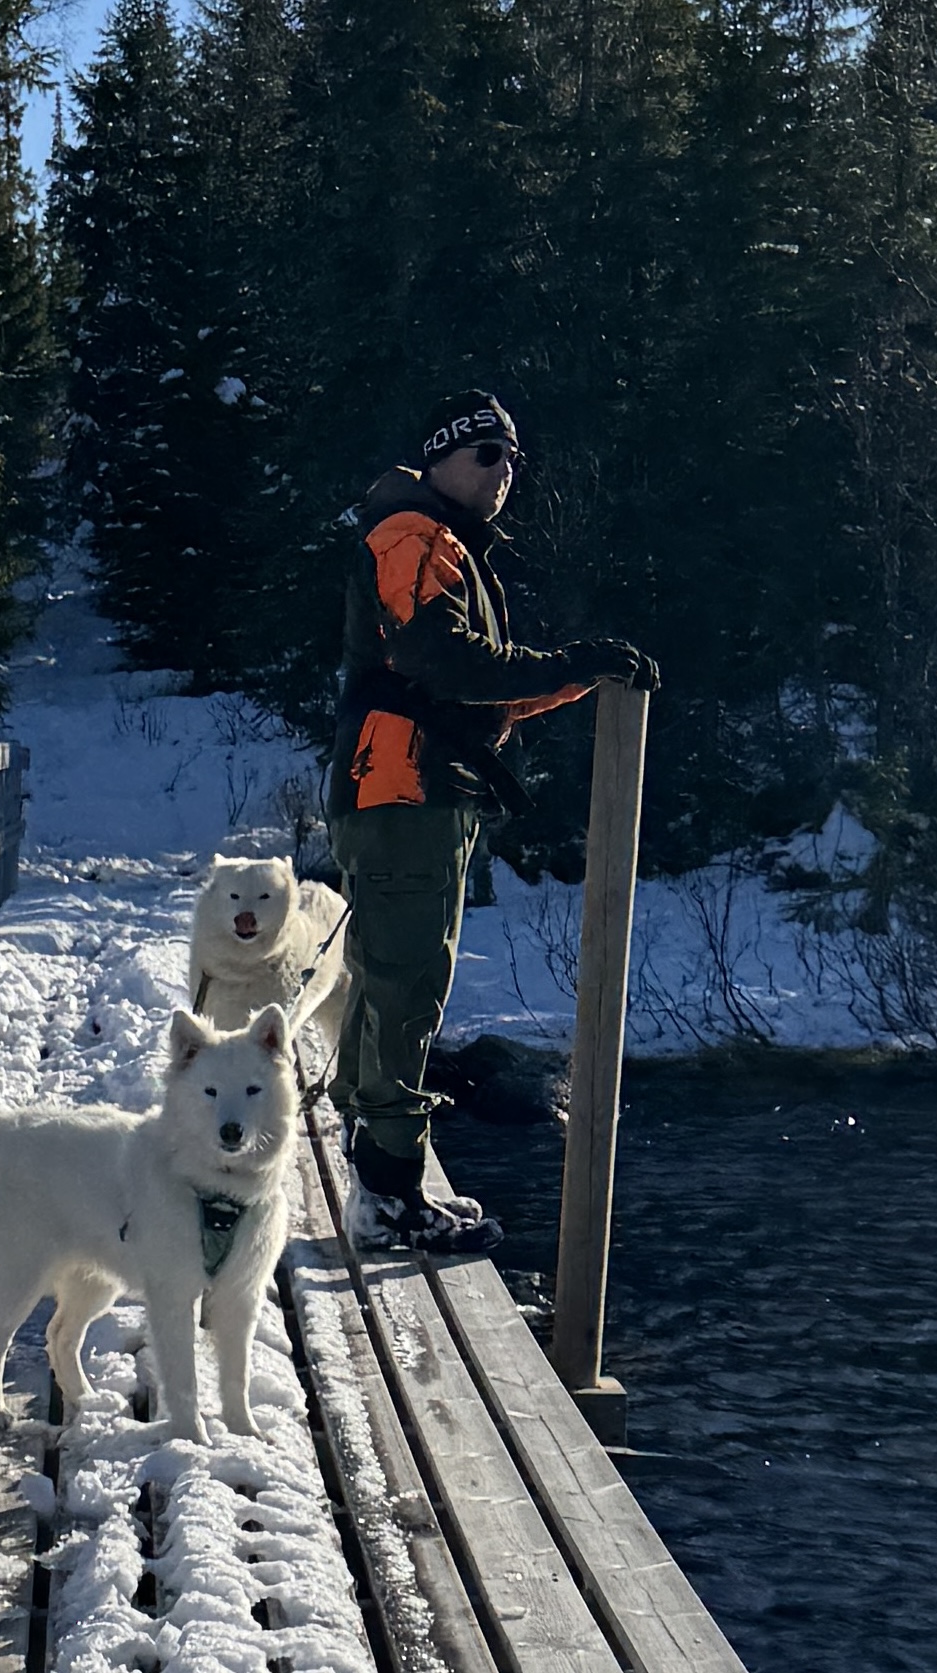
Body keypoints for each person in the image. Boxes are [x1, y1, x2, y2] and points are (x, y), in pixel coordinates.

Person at [325, 389, 657, 1254]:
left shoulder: (441, 542)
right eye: (486, 454)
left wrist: (577, 675)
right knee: (405, 984)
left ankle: (374, 1167)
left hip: (412, 790)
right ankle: (389, 1194)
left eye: (512, 458)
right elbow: (447, 664)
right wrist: (571, 662)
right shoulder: (412, 536)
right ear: (440, 456)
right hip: (401, 790)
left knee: (389, 975)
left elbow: (479, 686)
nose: (504, 471)